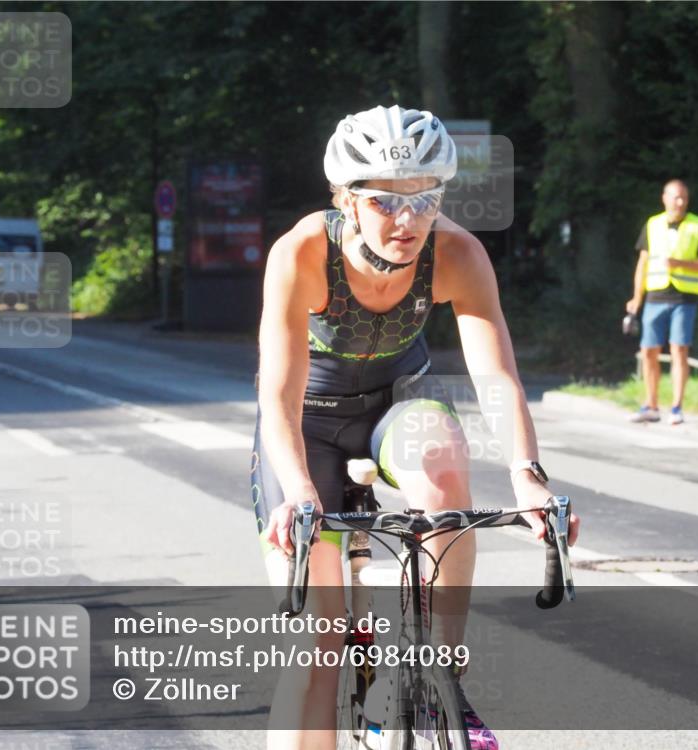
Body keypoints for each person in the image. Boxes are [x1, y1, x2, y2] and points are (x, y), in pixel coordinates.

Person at [252, 104, 580, 750]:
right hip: (306, 424)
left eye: (425, 200)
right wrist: (298, 492)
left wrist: (528, 477)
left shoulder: (457, 253)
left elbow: (497, 377)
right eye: (384, 201)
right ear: (346, 198)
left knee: (442, 457)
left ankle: (438, 680)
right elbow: (279, 392)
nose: (407, 222)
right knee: (319, 640)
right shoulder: (301, 254)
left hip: (396, 405)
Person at [625, 179, 698, 425]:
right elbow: (643, 264)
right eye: (676, 197)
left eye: (684, 197)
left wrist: (680, 264)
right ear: (664, 198)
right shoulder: (652, 224)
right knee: (648, 351)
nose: (680, 202)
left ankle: (676, 407)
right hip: (655, 296)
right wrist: (636, 297)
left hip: (684, 298)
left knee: (679, 349)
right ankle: (651, 405)